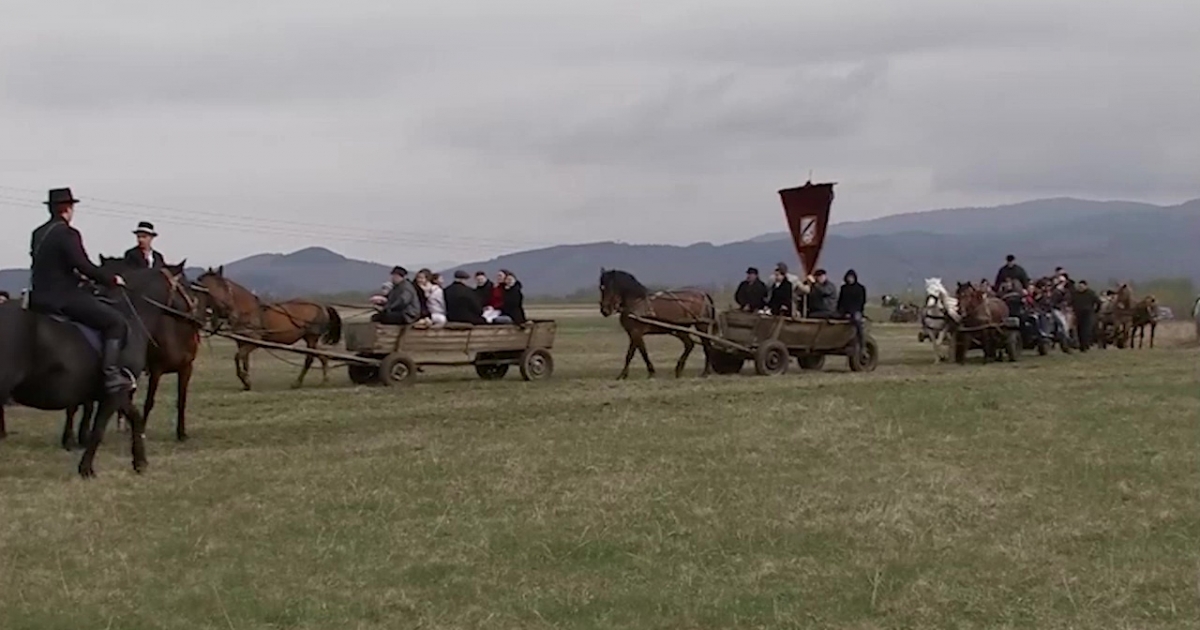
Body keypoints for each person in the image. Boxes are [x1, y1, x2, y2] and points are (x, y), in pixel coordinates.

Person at [28, 188, 130, 392]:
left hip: (37, 297)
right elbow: (83, 264)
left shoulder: (38, 233)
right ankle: (111, 375)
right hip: (63, 298)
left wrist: (77, 275)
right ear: (68, 208)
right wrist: (111, 279)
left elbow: (50, 265)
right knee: (115, 322)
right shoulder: (68, 233)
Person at [837, 269, 868, 356]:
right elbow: (841, 301)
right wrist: (842, 311)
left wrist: (853, 311)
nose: (850, 279)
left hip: (856, 311)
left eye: (851, 277)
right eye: (848, 277)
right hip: (845, 311)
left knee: (857, 321)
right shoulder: (844, 288)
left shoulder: (860, 288)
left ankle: (862, 344)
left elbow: (861, 301)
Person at [1072, 279, 1101, 351]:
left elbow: (1098, 302)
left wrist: (1096, 311)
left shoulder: (1091, 293)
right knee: (1079, 330)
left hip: (1088, 314)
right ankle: (1081, 345)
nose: (1080, 288)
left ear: (1086, 286)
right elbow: (1071, 302)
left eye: (1082, 286)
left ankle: (1085, 345)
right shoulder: (1075, 294)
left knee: (1086, 330)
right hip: (1078, 314)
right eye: (1079, 286)